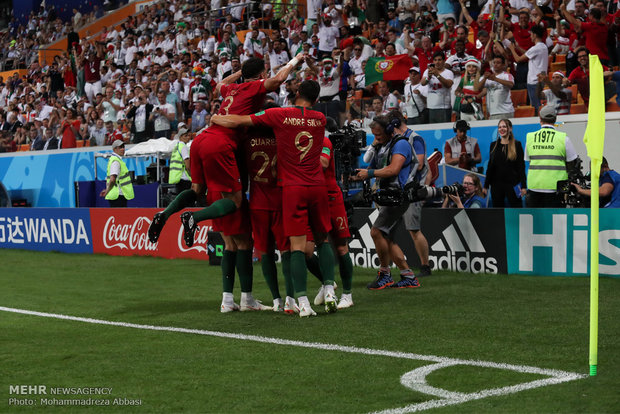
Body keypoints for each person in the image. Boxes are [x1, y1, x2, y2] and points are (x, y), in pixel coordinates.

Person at [211, 79, 338, 318]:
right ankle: (327, 289)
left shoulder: (278, 116)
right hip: (311, 186)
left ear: (297, 92)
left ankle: (294, 301)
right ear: (317, 100)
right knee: (321, 242)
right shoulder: (319, 119)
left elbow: (238, 120)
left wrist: (216, 118)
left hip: (284, 191)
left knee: (287, 249)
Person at [351, 115, 421, 290]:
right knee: (386, 237)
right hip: (389, 195)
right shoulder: (382, 146)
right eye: (374, 136)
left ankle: (385, 274)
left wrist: (371, 173)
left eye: (379, 135)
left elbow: (393, 169)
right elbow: (371, 168)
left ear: (390, 131)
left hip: (400, 195)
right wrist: (358, 174)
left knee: (376, 232)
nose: (376, 139)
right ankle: (408, 276)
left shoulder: (401, 144)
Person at [389, 110, 432, 279]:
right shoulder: (396, 139)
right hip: (397, 189)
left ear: (396, 123)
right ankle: (399, 268)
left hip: (412, 190)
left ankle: (425, 266)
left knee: (414, 230)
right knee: (387, 231)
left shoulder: (415, 138)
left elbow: (420, 164)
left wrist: (397, 165)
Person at [525, 105, 578, 207]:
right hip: (556, 188)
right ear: (555, 119)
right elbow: (572, 164)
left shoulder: (530, 138)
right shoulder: (564, 139)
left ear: (540, 119)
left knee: (536, 222)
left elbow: (529, 160)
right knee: (555, 222)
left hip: (534, 187)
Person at [484, 119, 527, 207]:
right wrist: (485, 186)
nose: (501, 129)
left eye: (504, 126)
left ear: (510, 128)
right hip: (496, 185)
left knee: (517, 210)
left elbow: (521, 167)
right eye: (499, 127)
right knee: (497, 213)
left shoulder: (517, 145)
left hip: (514, 184)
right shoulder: (493, 145)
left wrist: (523, 186)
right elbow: (490, 167)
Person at [507, 25, 549, 115]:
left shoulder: (535, 48)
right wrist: (517, 48)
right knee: (540, 105)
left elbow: (518, 59)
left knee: (536, 107)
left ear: (534, 35)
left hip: (534, 82)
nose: (530, 36)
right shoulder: (543, 47)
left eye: (531, 34)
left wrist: (512, 49)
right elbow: (528, 54)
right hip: (541, 80)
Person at [420, 51, 454, 123]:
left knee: (444, 130)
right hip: (431, 106)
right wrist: (428, 77)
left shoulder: (448, 72)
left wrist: (437, 75)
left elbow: (448, 85)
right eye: (435, 60)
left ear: (444, 61)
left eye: (439, 60)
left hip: (443, 107)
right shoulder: (428, 71)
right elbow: (422, 83)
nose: (437, 62)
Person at [100, 140, 134, 207]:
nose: (123, 149)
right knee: (120, 216)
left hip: (118, 195)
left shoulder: (116, 160)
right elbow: (113, 179)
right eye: (120, 147)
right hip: (118, 195)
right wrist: (107, 191)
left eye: (123, 147)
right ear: (114, 149)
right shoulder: (115, 161)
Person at [168, 125, 192, 194]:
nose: (188, 137)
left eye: (188, 135)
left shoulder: (176, 147)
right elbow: (187, 165)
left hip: (177, 178)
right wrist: (192, 175)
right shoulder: (183, 147)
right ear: (180, 137)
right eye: (185, 136)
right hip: (185, 179)